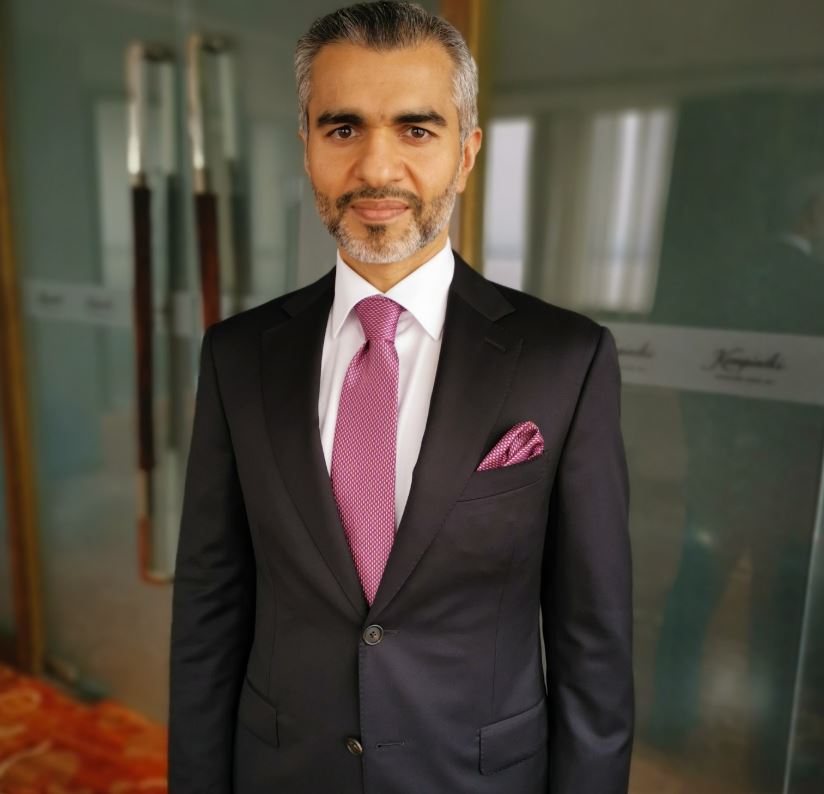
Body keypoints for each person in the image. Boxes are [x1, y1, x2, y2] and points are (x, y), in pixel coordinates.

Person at [167, 3, 633, 792]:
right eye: (343, 128)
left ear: (466, 153)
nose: (376, 168)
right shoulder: (238, 356)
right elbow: (210, 607)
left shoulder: (565, 359)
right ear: (307, 145)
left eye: (416, 129)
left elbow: (594, 641)